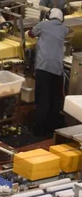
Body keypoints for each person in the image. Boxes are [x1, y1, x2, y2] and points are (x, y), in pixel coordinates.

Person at [27, 8, 71, 137]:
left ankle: (39, 130)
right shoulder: (63, 28)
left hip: (43, 67)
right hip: (57, 69)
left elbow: (31, 34)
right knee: (54, 100)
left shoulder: (43, 24)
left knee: (42, 99)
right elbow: (69, 32)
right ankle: (51, 128)